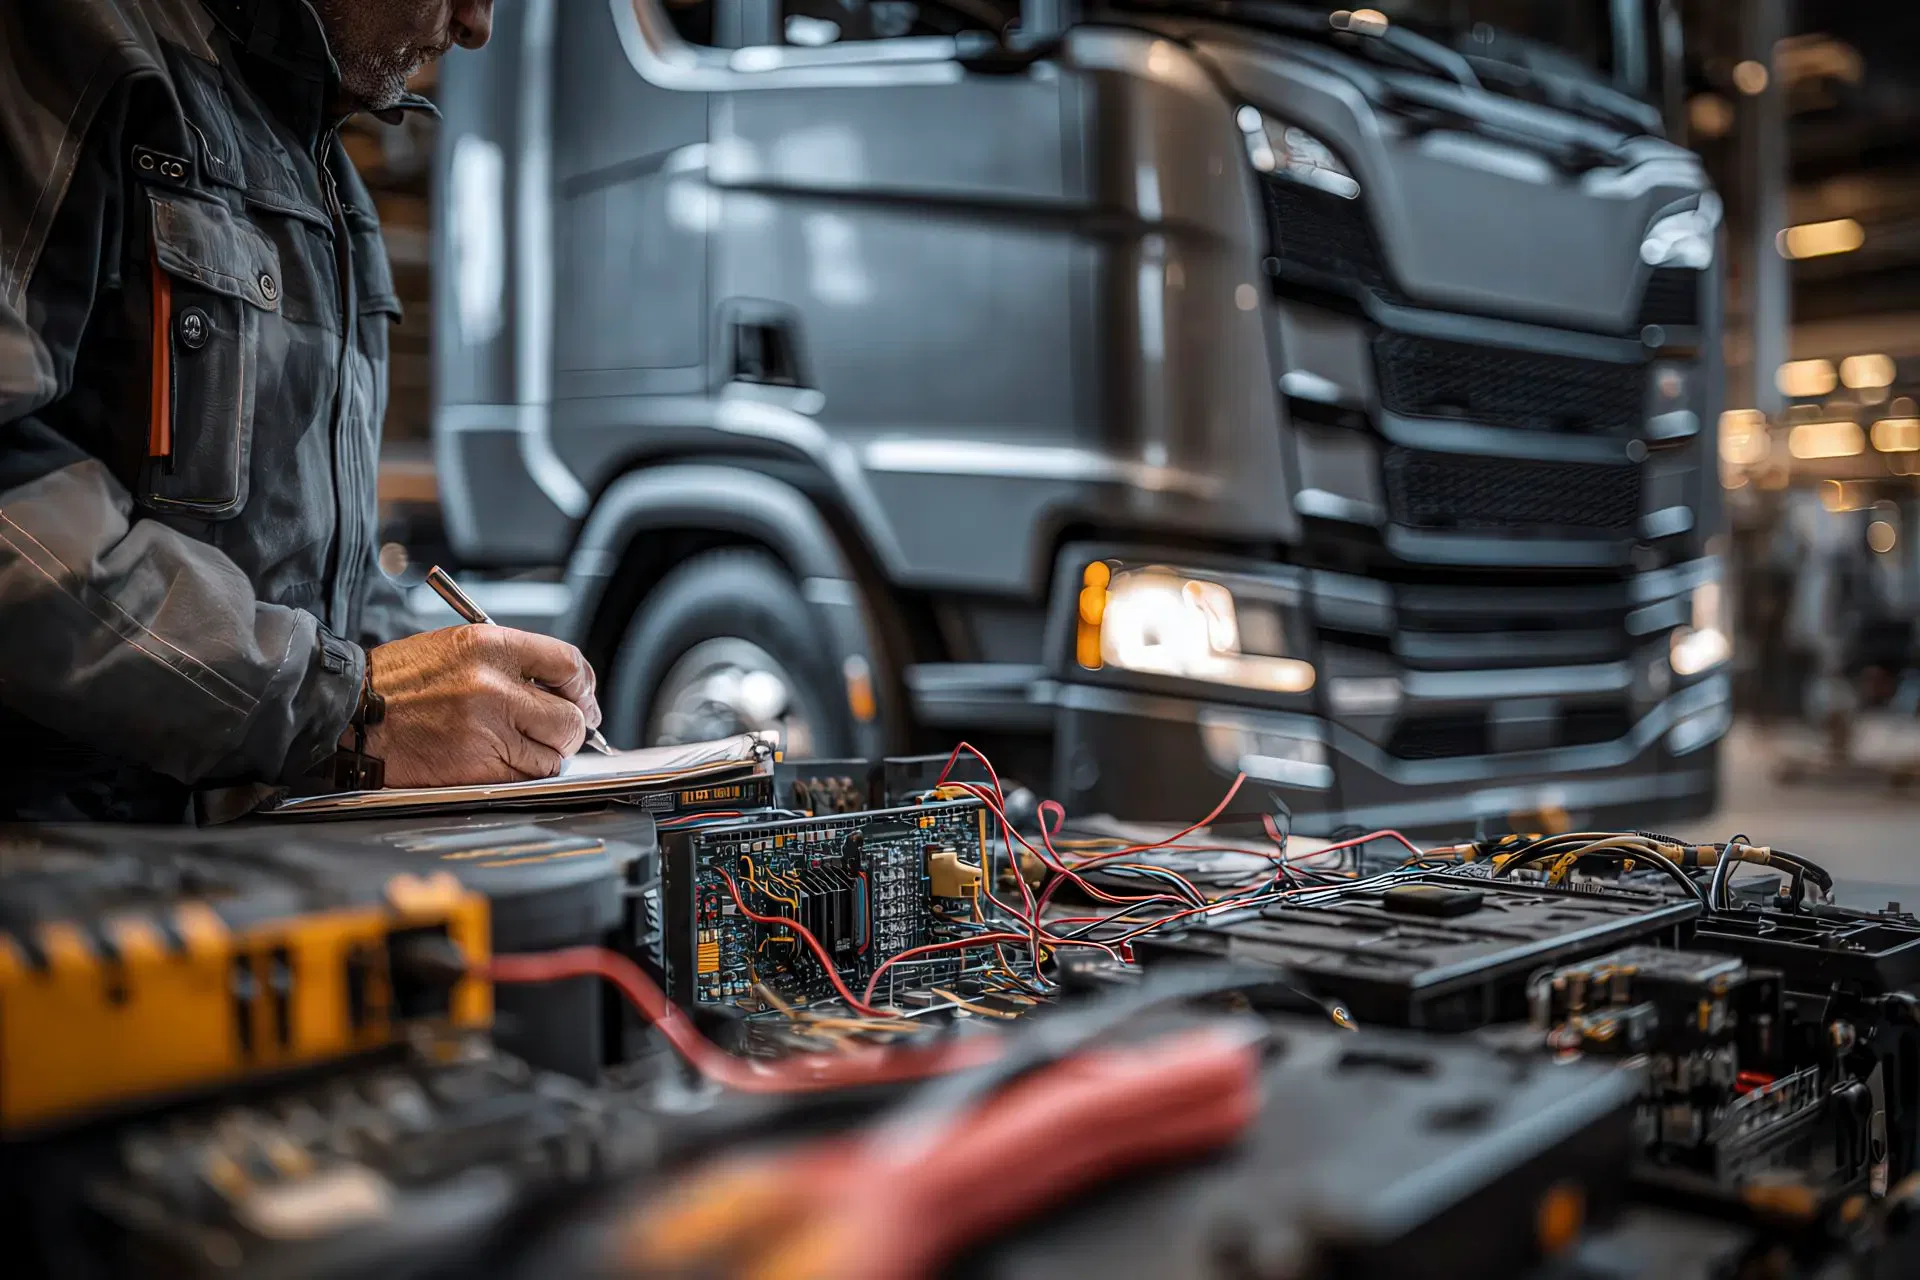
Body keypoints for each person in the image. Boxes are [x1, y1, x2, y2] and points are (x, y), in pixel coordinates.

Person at [0, 0, 604, 823]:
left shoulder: (327, 175)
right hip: (68, 873)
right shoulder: (69, 41)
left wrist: (437, 675)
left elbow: (319, 562)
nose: (475, 26)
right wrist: (345, 706)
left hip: (256, 852)